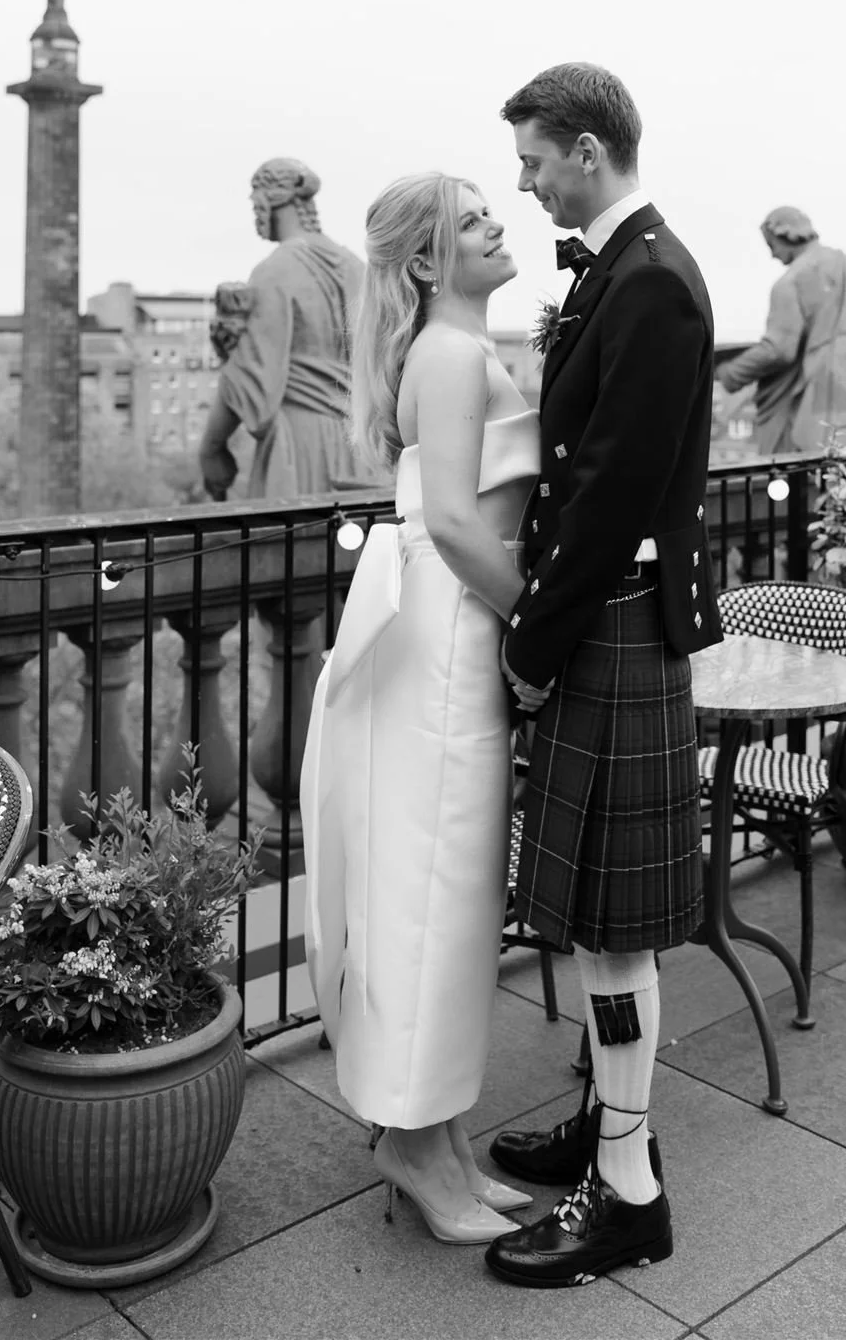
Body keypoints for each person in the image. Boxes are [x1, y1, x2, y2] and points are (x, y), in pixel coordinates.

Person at [483, 62, 719, 1290]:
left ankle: (627, 1190)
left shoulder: (652, 282)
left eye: (532, 160)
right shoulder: (622, 269)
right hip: (606, 615)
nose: (524, 183)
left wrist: (530, 643)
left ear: (584, 148)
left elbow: (608, 493)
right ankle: (603, 1122)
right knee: (591, 923)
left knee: (613, 937)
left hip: (609, 615)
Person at [299, 172, 540, 1244]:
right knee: (433, 889)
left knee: (447, 889)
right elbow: (450, 519)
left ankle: (438, 1138)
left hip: (450, 624)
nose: (496, 224)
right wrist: (536, 625)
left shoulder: (457, 347)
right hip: (447, 632)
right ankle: (411, 1141)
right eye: (472, 219)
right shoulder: (447, 353)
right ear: (431, 260)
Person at [199, 157, 376, 500]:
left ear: (270, 199)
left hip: (300, 444)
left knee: (298, 532)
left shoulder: (275, 270)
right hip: (361, 448)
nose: (254, 209)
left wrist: (212, 447)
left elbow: (251, 375)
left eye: (255, 199)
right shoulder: (356, 266)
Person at [716, 206, 846, 454]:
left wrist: (730, 372)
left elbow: (779, 350)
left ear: (786, 235)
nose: (773, 255)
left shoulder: (790, 282)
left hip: (815, 396)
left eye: (771, 245)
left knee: (806, 466)